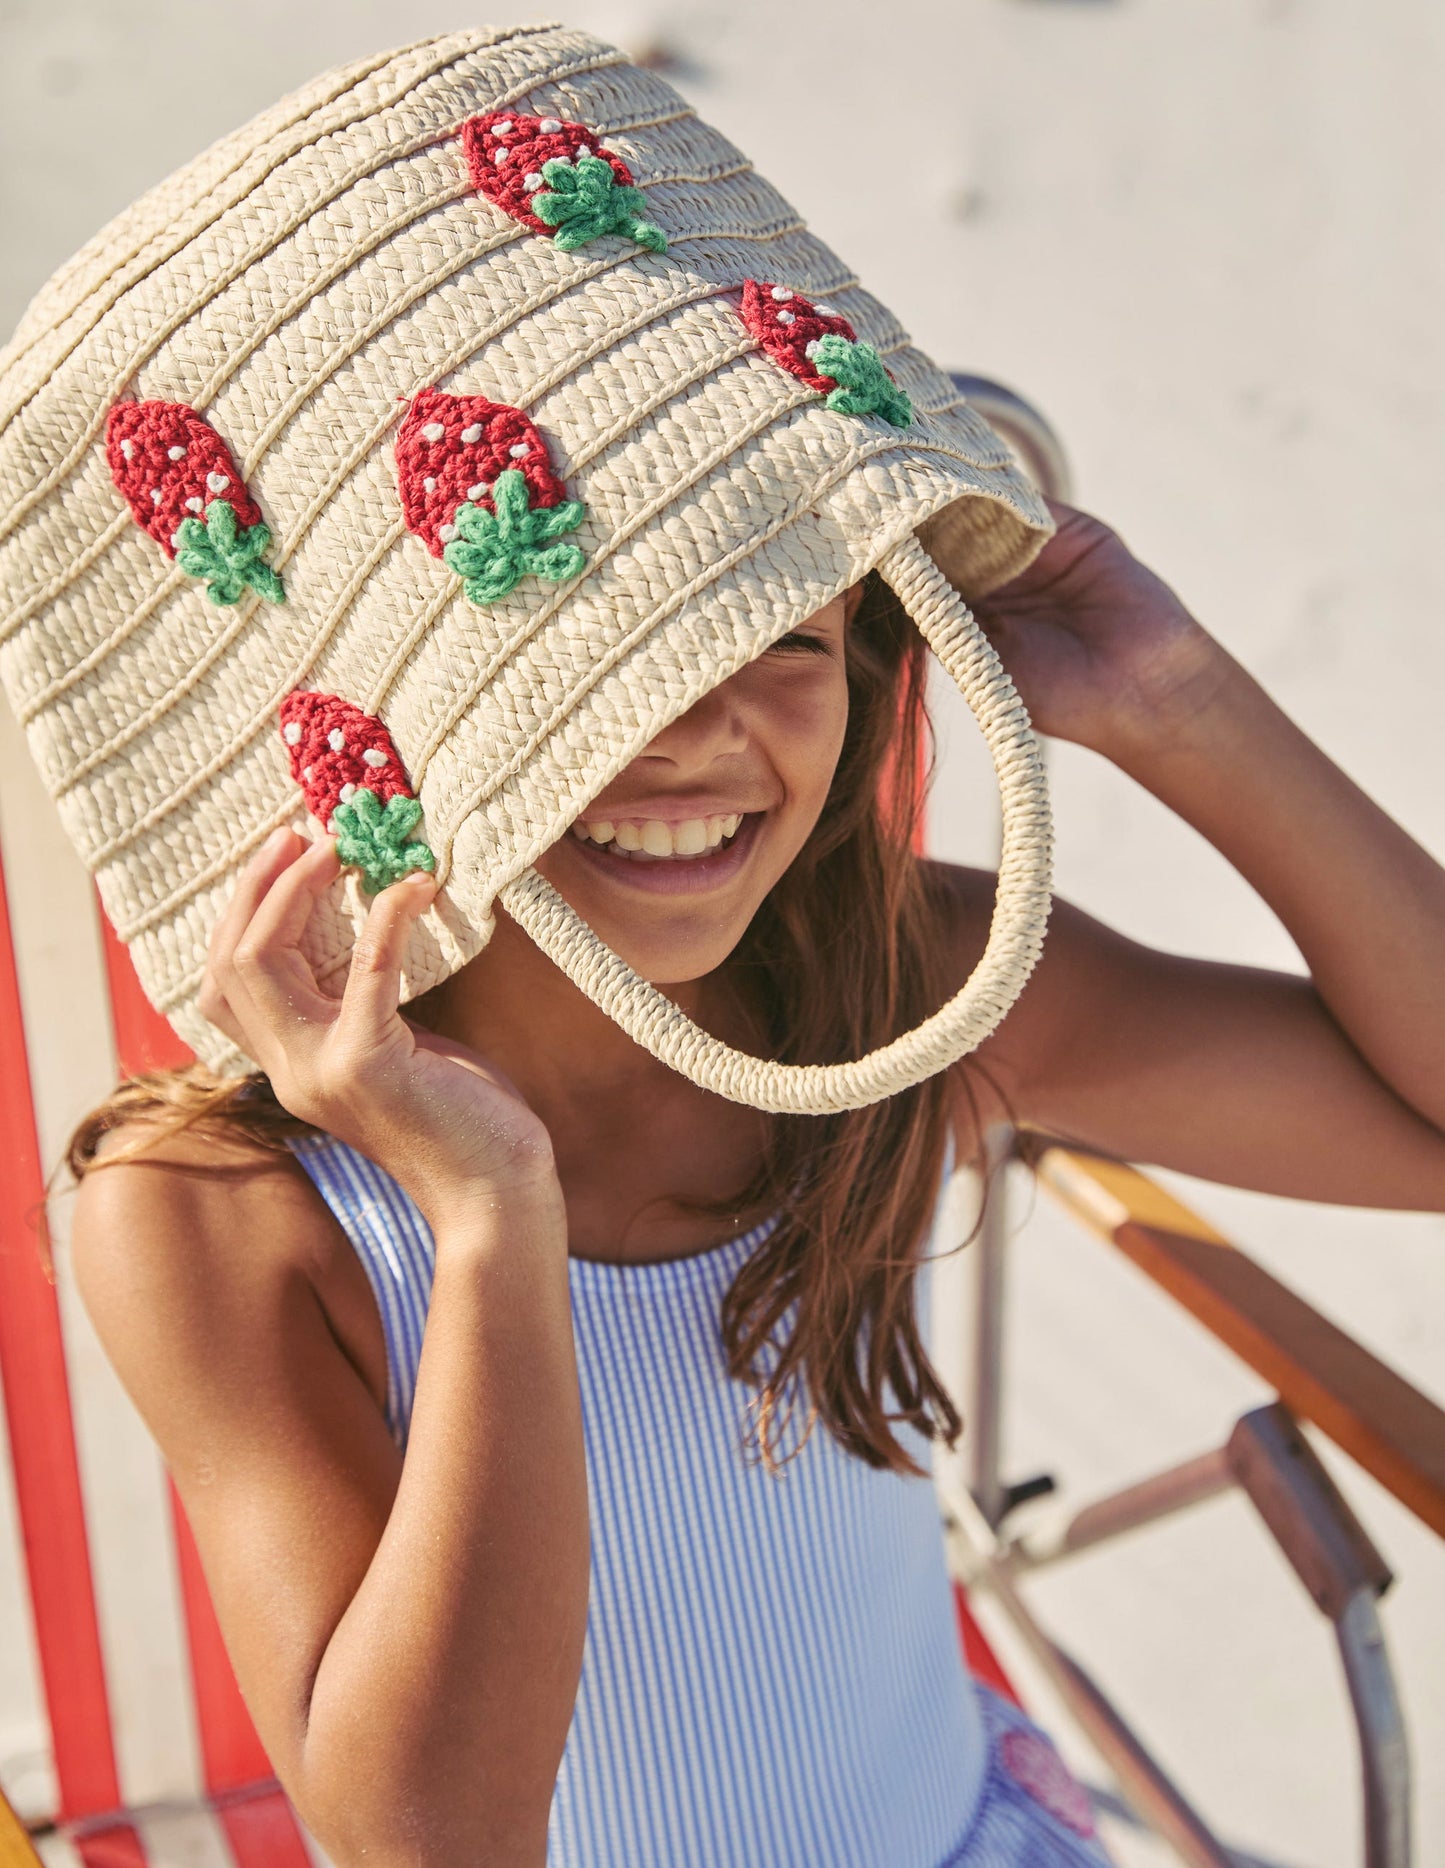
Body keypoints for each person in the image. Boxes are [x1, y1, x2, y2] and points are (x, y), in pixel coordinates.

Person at [4, 25, 1441, 1868]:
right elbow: (431, 1843)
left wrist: (1182, 702)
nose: (696, 741)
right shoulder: (221, 1212)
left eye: (781, 636)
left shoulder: (891, 996)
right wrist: (488, 1216)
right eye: (582, 674)